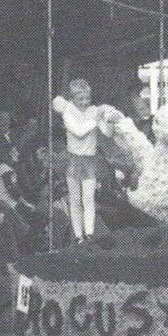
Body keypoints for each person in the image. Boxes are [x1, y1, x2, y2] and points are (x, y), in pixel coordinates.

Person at [52, 79, 112, 244]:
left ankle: (90, 233)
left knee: (88, 198)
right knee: (75, 199)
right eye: (81, 99)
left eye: (87, 98)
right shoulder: (68, 113)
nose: (85, 102)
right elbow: (79, 132)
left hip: (90, 159)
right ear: (73, 99)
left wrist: (109, 121)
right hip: (73, 159)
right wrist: (96, 118)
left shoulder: (93, 111)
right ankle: (78, 236)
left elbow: (107, 133)